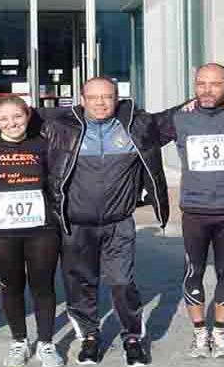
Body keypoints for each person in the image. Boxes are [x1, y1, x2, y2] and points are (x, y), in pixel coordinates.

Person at [42, 76, 170, 367]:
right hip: (76, 225)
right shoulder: (61, 128)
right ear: (82, 99)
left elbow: (174, 119)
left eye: (108, 97)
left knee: (122, 282)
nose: (101, 102)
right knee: (81, 284)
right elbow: (14, 120)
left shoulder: (136, 126)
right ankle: (89, 336)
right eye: (94, 97)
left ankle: (133, 338)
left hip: (119, 223)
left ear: (117, 98)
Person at [153, 63, 224, 359]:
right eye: (201, 83)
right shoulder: (179, 119)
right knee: (194, 271)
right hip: (195, 209)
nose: (207, 89)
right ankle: (200, 333)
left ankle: (220, 334)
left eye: (215, 84)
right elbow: (142, 133)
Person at [0, 96, 64, 367]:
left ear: (28, 115)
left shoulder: (43, 144)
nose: (11, 123)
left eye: (17, 116)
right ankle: (19, 341)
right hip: (2, 232)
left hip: (41, 229)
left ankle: (46, 343)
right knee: (11, 287)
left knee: (43, 286)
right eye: (4, 119)